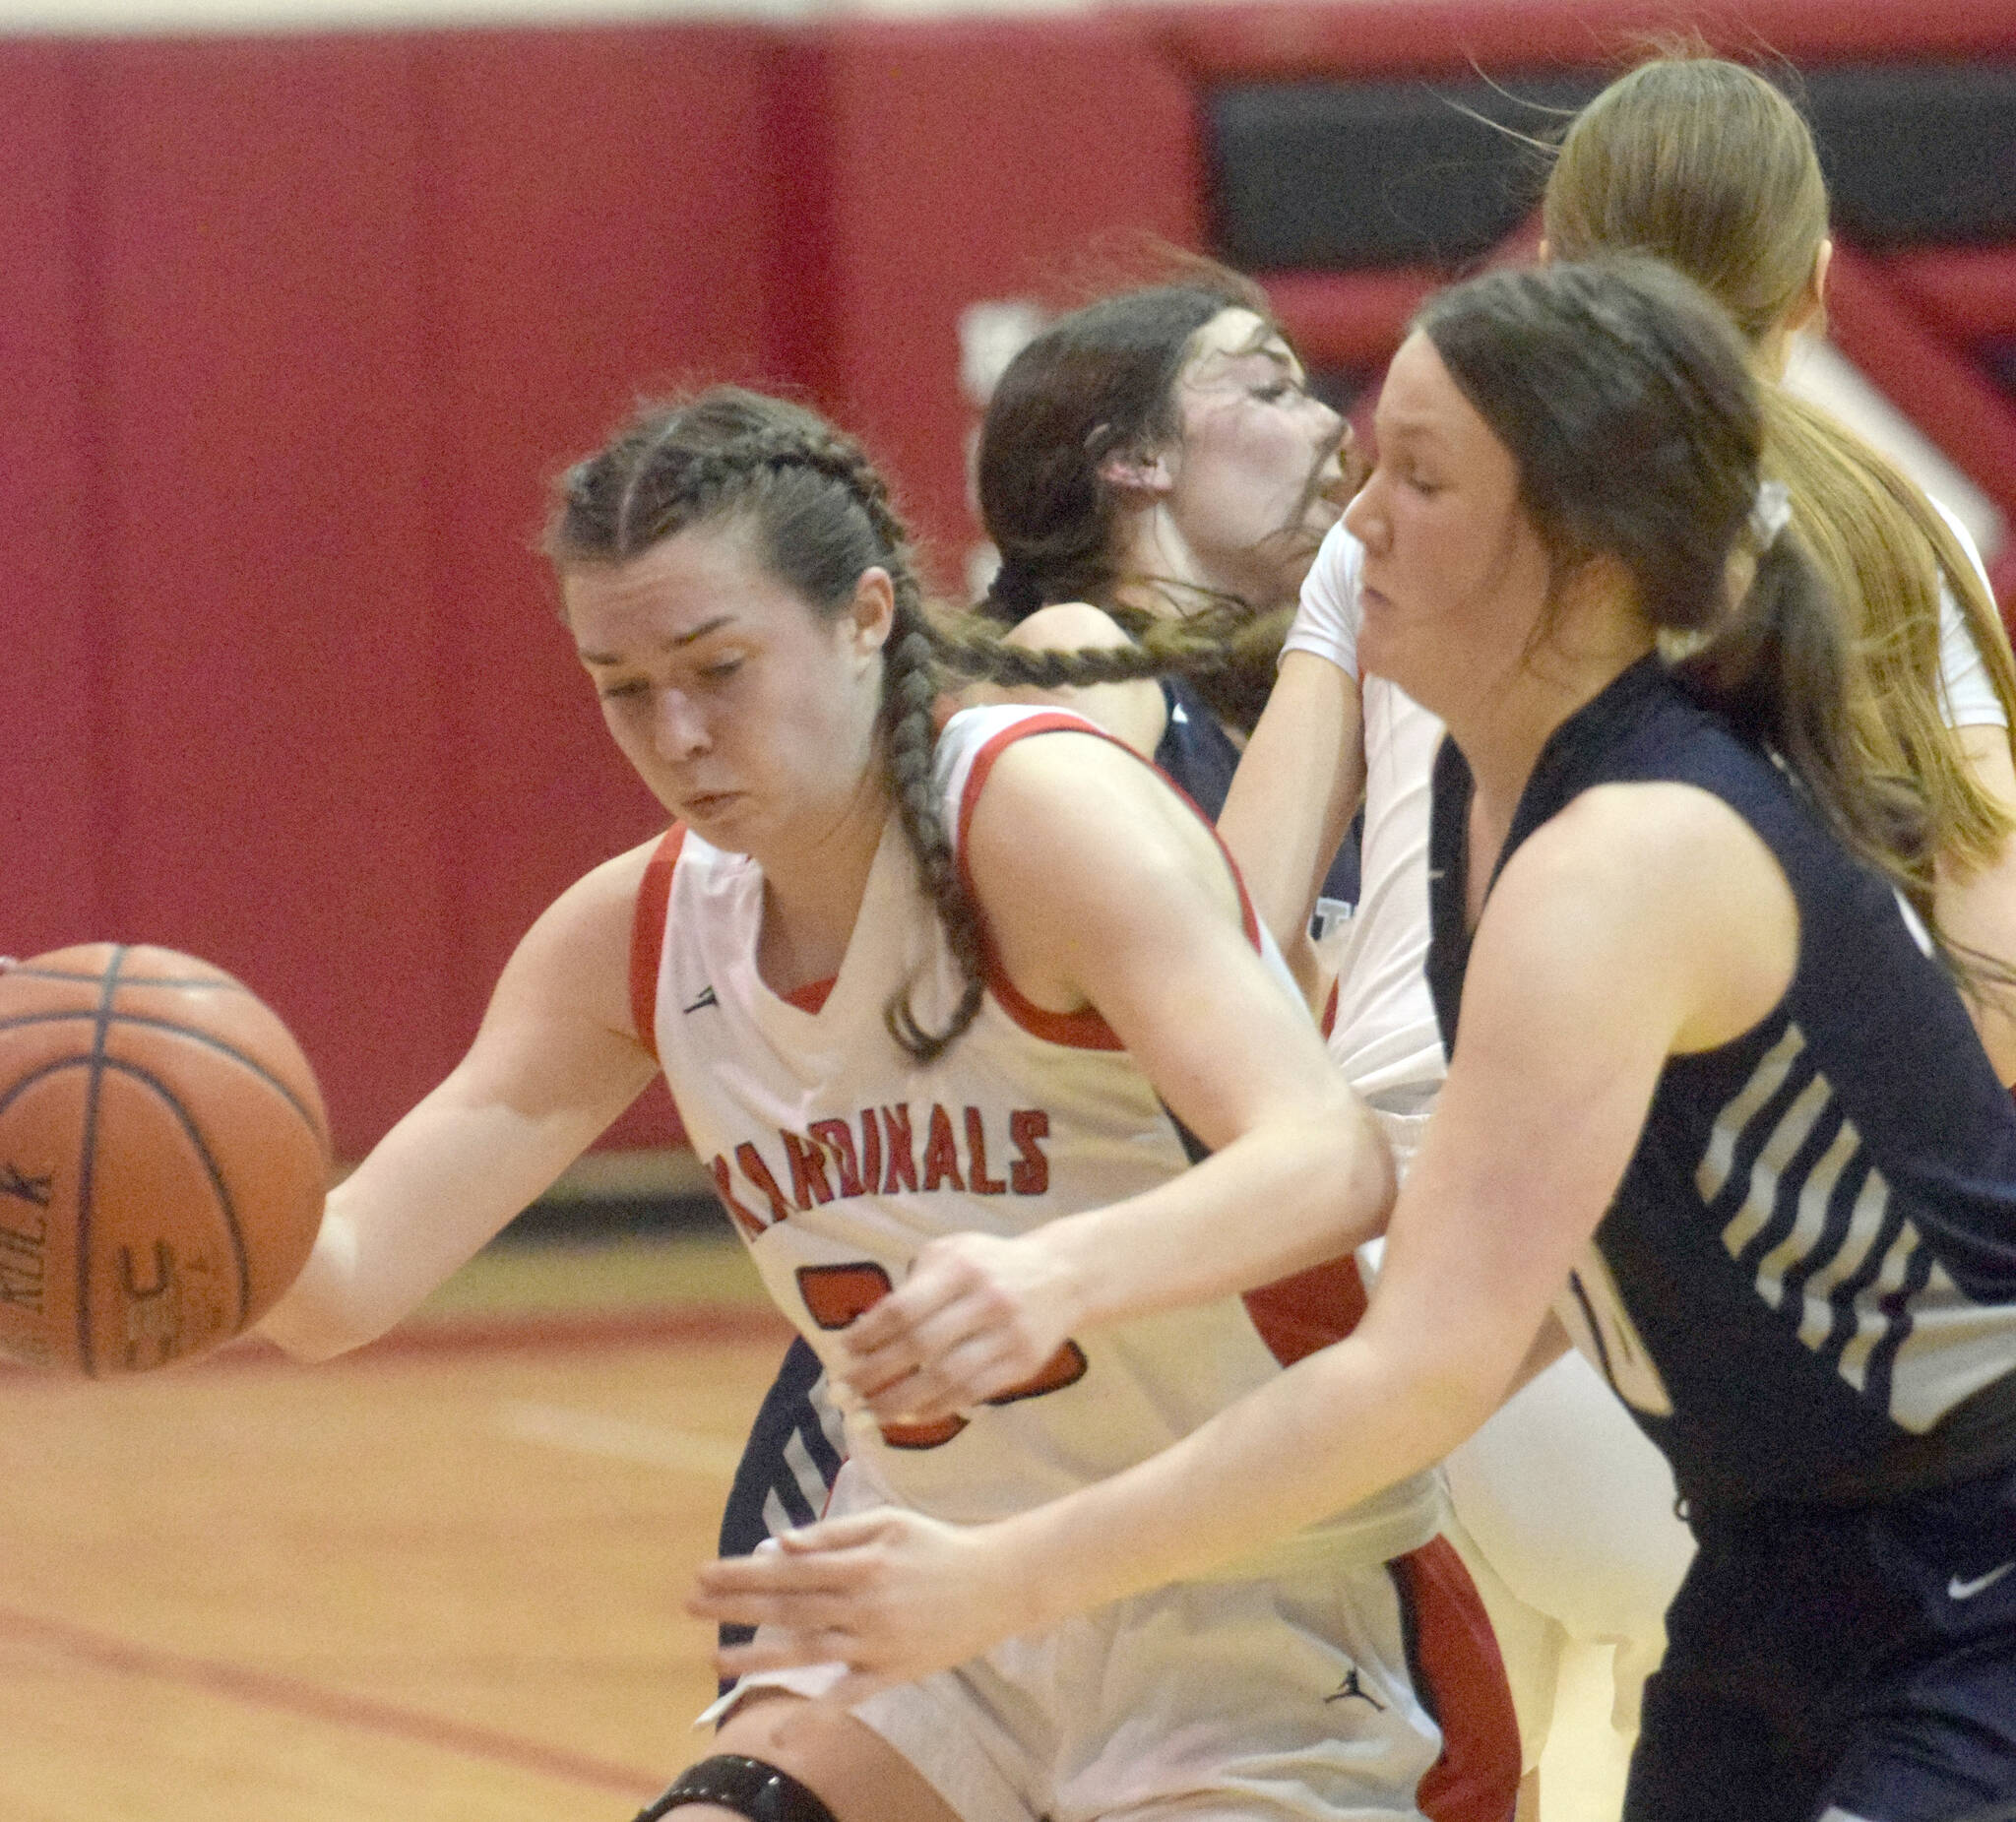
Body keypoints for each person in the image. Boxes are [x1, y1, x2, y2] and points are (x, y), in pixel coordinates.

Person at [691, 258, 2016, 1822]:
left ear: (1583, 551)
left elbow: (1425, 1367)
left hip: (1972, 1557)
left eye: (1424, 477)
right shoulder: (1482, 794)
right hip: (1777, 1560)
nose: (1361, 512)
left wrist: (1003, 1576)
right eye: (1375, 457)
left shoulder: (1630, 853)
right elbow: (1555, 1261)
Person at [259, 389, 1520, 1822]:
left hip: (1265, 1599)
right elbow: (339, 1285)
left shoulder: (1041, 821)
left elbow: (1327, 1163)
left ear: (868, 617)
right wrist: (111, 1204)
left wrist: (1053, 1272)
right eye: (621, 687)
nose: (675, 733)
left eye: (718, 667)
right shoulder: (634, 936)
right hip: (937, 1621)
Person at [1219, 50, 2016, 1810]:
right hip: (1707, 1264)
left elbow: (1233, 918)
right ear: (1813, 284)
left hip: (1424, 1250)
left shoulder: (1410, 521)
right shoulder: (1873, 531)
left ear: (1553, 265)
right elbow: (1993, 946)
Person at [715, 270, 1369, 1606]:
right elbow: (1234, 957)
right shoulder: (1081, 652)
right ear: (1133, 461)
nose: (1330, 429)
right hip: (974, 1384)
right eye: (1270, 385)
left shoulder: (1268, 714)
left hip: (1146, 1356)